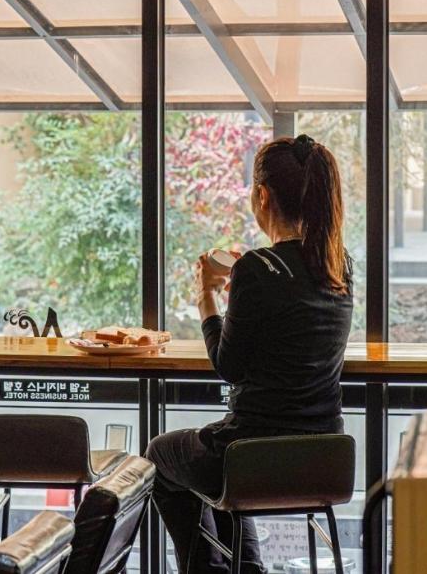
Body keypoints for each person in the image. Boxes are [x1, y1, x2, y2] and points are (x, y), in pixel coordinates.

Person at [144, 134, 354, 574]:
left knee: (161, 457)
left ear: (262, 195)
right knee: (211, 455)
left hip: (251, 456)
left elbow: (229, 367)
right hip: (323, 459)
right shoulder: (339, 266)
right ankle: (248, 568)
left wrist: (207, 296)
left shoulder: (256, 269)